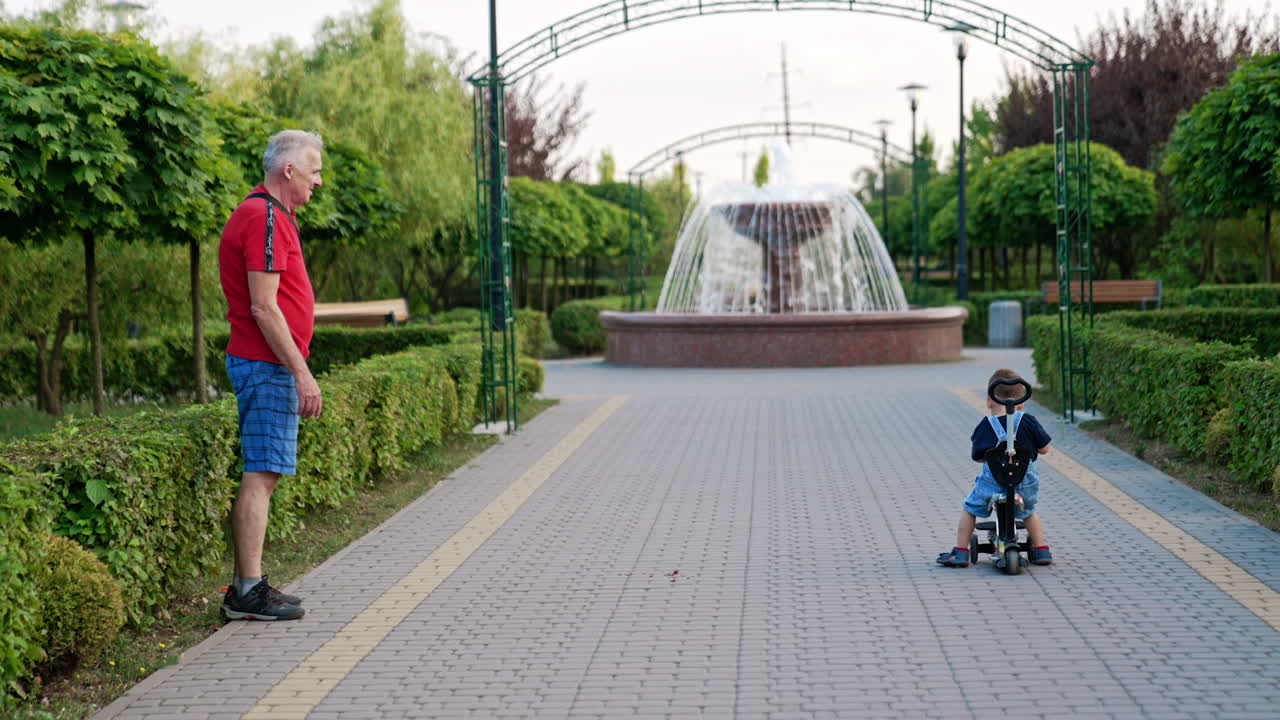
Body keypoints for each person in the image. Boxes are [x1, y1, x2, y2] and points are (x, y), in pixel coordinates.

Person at [218, 130, 325, 620]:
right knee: (260, 474)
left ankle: (251, 585)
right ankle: (247, 593)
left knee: (267, 471)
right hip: (265, 365)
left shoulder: (273, 216)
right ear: (289, 170)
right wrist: (301, 373)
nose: (318, 181)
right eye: (314, 170)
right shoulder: (263, 217)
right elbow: (265, 307)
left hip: (267, 364)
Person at [936, 368, 1054, 568]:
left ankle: (961, 551)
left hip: (993, 484)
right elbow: (1045, 449)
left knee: (970, 508)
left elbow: (979, 458)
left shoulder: (986, 425)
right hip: (1025, 485)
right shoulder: (1028, 421)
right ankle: (1041, 549)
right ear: (1022, 403)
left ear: (989, 400)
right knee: (1029, 512)